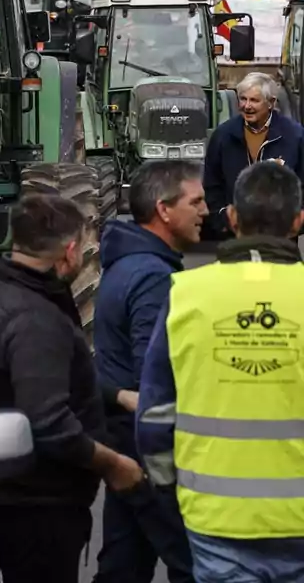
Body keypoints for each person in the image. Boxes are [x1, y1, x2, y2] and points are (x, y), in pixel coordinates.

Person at [138, 161, 304, 582]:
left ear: (231, 219)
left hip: (215, 520)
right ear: (299, 221)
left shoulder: (186, 295)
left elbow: (155, 418)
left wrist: (170, 495)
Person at [0, 194, 145, 583]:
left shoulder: (1, 293)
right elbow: (47, 420)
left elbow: (50, 377)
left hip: (14, 498)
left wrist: (116, 395)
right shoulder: (36, 320)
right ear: (69, 251)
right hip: (38, 508)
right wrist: (113, 464)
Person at [92, 161, 204, 583]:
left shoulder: (127, 263)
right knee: (193, 565)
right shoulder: (153, 277)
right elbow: (152, 378)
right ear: (163, 209)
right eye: (195, 201)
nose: (205, 211)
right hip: (146, 447)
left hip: (125, 439)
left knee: (125, 561)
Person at [203, 72, 304, 238]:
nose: (247, 106)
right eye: (243, 99)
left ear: (271, 102)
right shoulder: (223, 136)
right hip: (234, 235)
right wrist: (223, 220)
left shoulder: (295, 136)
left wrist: (292, 224)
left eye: (254, 100)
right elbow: (212, 185)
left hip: (281, 237)